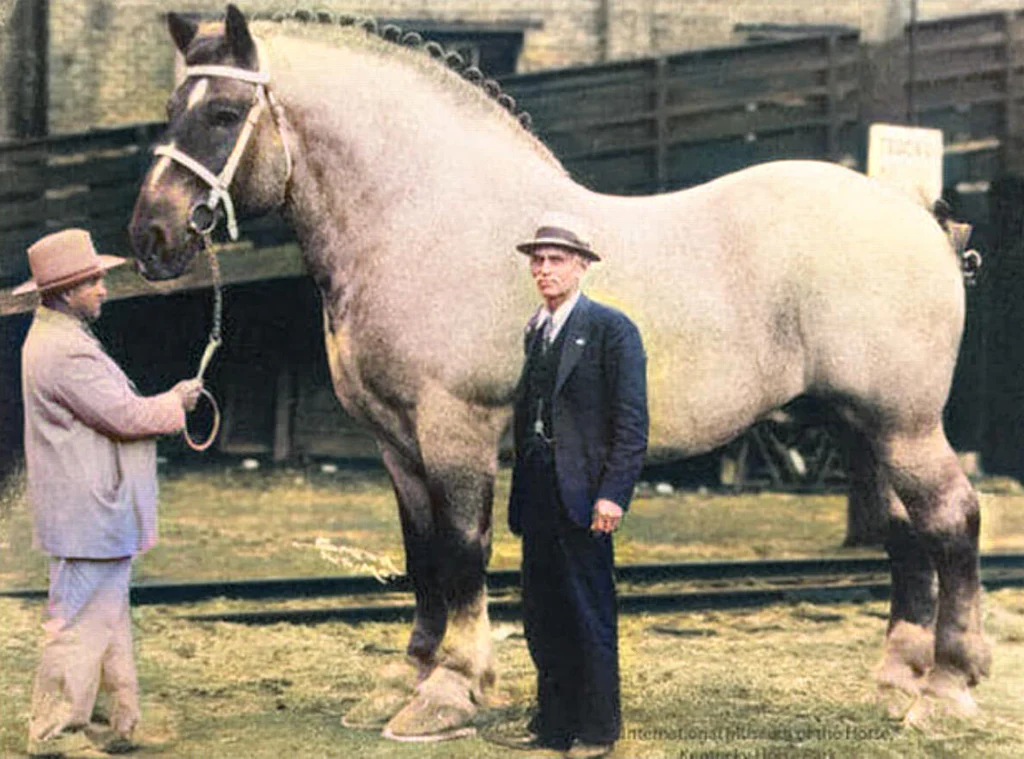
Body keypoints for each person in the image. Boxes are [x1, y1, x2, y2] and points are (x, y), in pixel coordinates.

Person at [14, 229, 203, 758]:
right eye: (92, 280)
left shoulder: (60, 336)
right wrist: (177, 401)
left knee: (107, 622)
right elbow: (125, 417)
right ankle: (56, 733)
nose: (103, 287)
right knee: (77, 626)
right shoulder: (64, 349)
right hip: (86, 512)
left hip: (91, 510)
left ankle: (118, 724)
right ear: (64, 292)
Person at [503, 212, 648, 758]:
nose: (543, 270)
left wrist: (613, 493)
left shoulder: (613, 330)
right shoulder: (535, 329)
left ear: (582, 266)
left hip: (586, 494)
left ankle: (596, 731)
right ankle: (553, 725)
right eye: (537, 261)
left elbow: (631, 425)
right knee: (543, 611)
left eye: (556, 260)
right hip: (538, 490)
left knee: (588, 610)